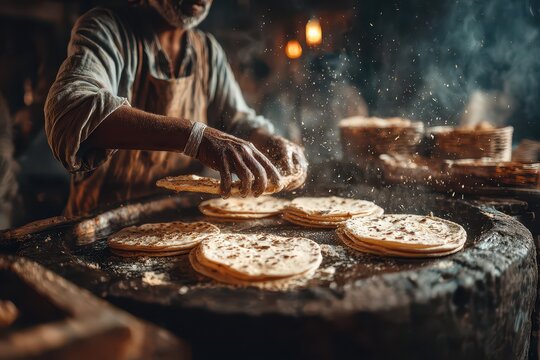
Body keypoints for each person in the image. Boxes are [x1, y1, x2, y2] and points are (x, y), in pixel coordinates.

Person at [45, 0, 307, 217]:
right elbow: (71, 108)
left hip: (183, 222)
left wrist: (270, 142)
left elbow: (237, 123)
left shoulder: (208, 52)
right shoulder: (106, 29)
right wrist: (195, 138)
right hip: (102, 228)